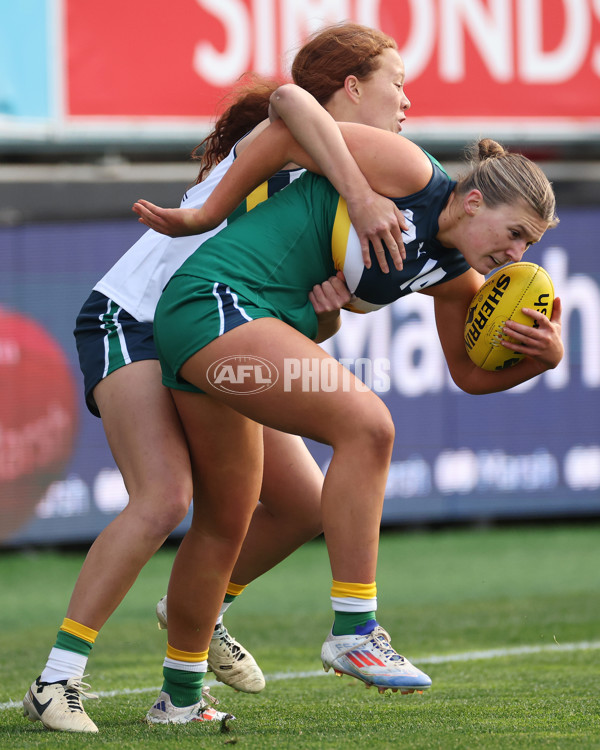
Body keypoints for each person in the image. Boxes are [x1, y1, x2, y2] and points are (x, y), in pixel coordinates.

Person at [22, 23, 412, 734]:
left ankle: (193, 637)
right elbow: (292, 101)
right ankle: (57, 680)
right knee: (165, 496)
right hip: (134, 319)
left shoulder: (342, 184)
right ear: (353, 87)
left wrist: (324, 315)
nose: (407, 100)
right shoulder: (298, 136)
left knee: (301, 504)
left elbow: (289, 316)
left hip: (210, 335)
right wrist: (358, 193)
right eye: (397, 81)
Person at [132, 84, 563, 724]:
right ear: (474, 202)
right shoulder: (412, 173)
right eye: (516, 234)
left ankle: (179, 700)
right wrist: (210, 213)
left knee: (229, 522)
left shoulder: (452, 276)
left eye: (529, 246)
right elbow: (284, 114)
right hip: (215, 303)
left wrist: (543, 359)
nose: (517, 256)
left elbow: (469, 376)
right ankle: (356, 629)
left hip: (237, 326)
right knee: (368, 427)